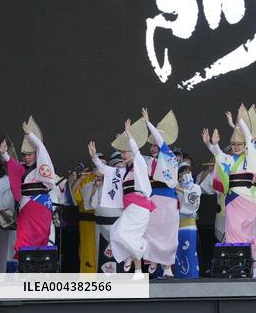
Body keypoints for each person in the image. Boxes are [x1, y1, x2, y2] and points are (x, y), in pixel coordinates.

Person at [204, 104, 256, 276]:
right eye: (234, 144)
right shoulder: (231, 160)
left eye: (240, 144)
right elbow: (220, 158)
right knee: (232, 233)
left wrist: (239, 123)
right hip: (233, 201)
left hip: (249, 200)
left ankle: (252, 268)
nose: (237, 147)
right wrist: (213, 145)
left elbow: (251, 142)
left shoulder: (251, 158)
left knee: (249, 233)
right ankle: (237, 267)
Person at [90, 119, 154, 280]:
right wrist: (95, 159)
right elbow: (105, 170)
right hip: (130, 209)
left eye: (124, 152)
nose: (122, 155)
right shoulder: (123, 171)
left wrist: (129, 136)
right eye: (122, 152)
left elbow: (137, 153)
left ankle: (142, 251)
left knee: (124, 236)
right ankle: (138, 270)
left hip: (140, 208)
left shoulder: (139, 165)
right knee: (117, 234)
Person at [0, 118, 57, 259]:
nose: (26, 158)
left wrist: (31, 135)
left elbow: (42, 149)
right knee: (22, 241)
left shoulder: (41, 168)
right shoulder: (21, 168)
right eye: (24, 155)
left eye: (29, 154)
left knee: (41, 240)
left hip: (40, 208)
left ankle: (39, 272)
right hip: (26, 210)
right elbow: (11, 165)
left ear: (37, 154)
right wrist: (4, 154)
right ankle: (23, 270)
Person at [141, 108, 180, 277]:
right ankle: (152, 262)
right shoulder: (147, 161)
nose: (153, 147)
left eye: (156, 144)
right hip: (153, 199)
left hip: (168, 199)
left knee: (168, 235)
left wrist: (149, 123)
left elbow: (161, 142)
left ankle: (167, 269)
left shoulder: (170, 157)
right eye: (151, 145)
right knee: (150, 232)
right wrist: (129, 140)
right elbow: (134, 156)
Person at [0, 146, 18, 273]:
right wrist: (0, 214)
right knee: (5, 263)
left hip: (23, 230)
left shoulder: (24, 180)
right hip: (5, 230)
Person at [68, 162, 101, 273]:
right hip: (87, 221)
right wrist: (78, 180)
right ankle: (87, 281)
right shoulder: (87, 177)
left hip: (105, 223)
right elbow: (75, 200)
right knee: (87, 253)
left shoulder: (111, 178)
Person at [174, 163, 201, 278]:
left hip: (190, 225)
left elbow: (192, 202)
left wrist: (181, 191)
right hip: (178, 226)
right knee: (179, 252)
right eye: (182, 172)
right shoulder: (176, 187)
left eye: (187, 171)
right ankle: (180, 274)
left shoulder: (196, 187)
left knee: (190, 252)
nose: (185, 174)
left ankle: (192, 275)